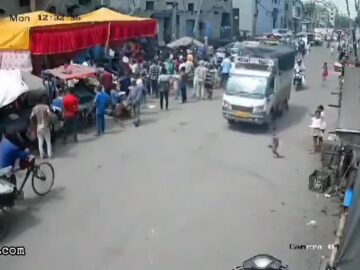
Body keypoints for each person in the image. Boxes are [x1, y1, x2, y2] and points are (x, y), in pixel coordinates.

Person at [30, 95, 52, 159]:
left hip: (38, 126)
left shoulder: (35, 108)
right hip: (45, 126)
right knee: (48, 141)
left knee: (40, 141)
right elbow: (49, 114)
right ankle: (49, 154)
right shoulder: (46, 107)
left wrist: (34, 124)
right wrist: (48, 119)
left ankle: (42, 155)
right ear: (43, 101)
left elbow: (31, 117)